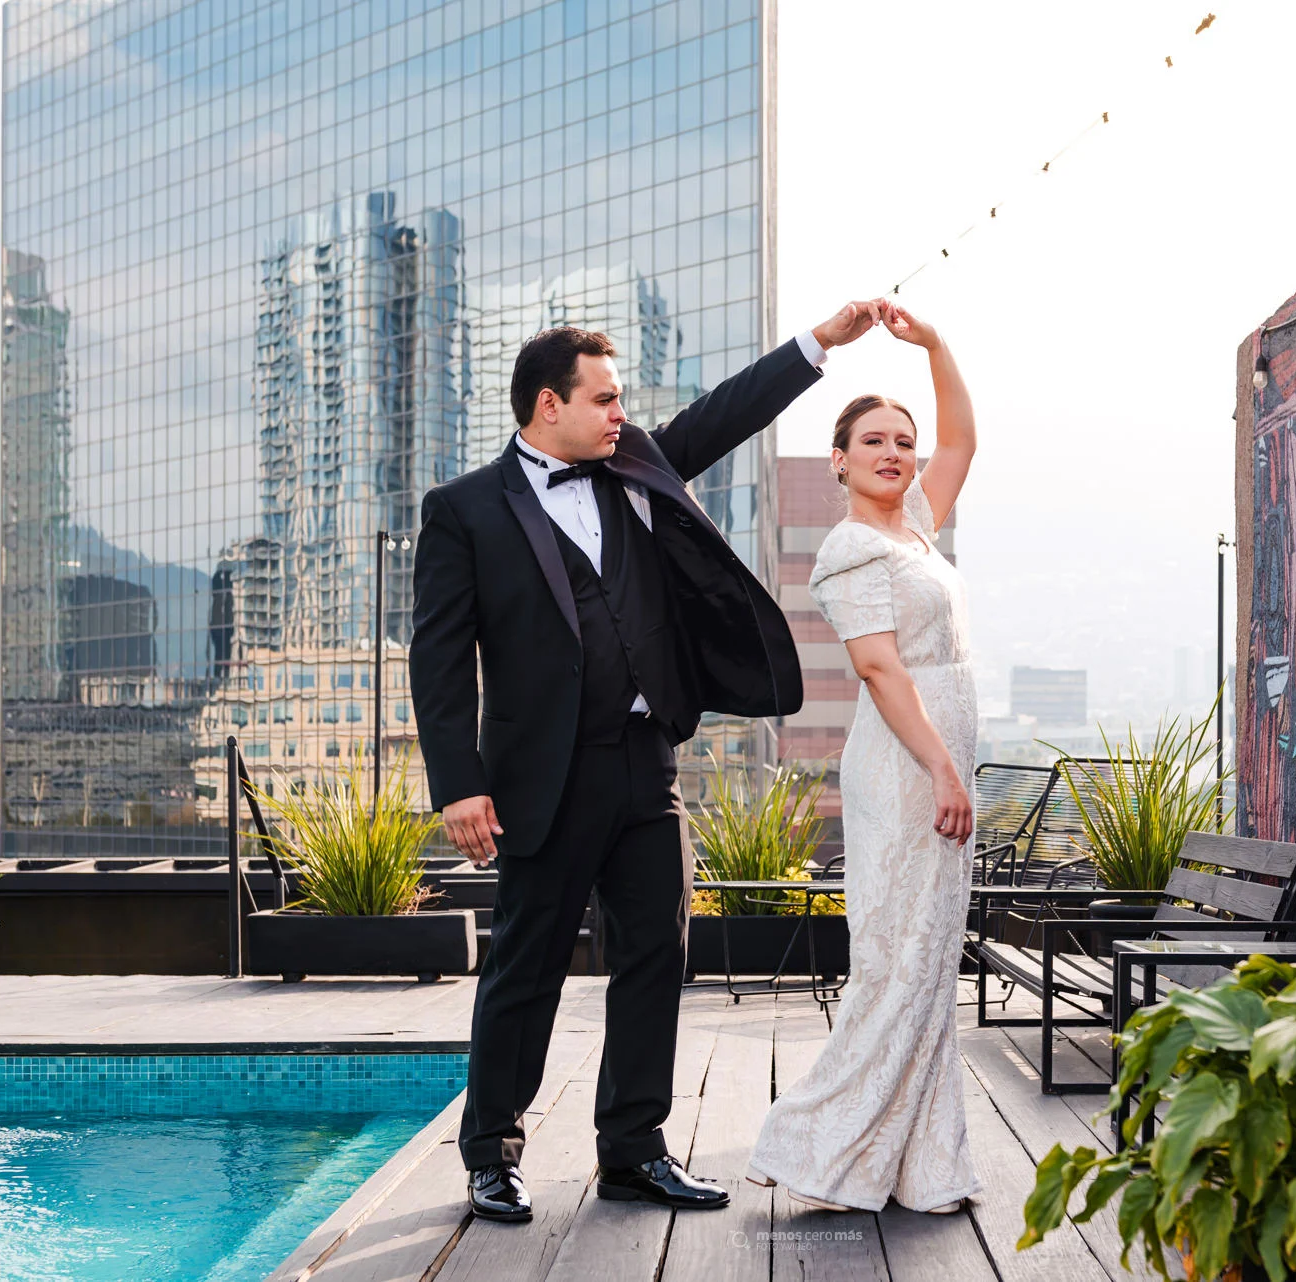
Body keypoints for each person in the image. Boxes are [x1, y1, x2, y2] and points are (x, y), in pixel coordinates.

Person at [409, 302, 885, 1223]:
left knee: (654, 961)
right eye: (605, 399)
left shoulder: (635, 467)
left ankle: (633, 1151)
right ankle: (492, 1156)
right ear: (549, 405)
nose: (620, 413)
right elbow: (438, 657)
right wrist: (459, 782)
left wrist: (820, 343)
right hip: (540, 778)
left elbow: (723, 413)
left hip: (644, 766)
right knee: (525, 968)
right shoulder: (463, 509)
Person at [747, 300, 982, 1214]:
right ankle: (812, 1146)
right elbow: (879, 668)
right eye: (874, 440)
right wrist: (942, 767)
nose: (896, 452)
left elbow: (963, 441)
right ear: (838, 460)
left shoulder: (915, 525)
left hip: (934, 764)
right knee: (898, 961)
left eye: (903, 442)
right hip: (907, 769)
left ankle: (920, 1165)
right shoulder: (850, 547)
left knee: (929, 964)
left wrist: (936, 346)